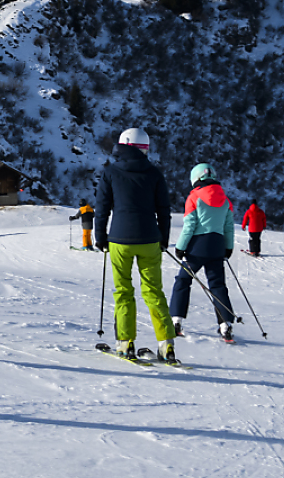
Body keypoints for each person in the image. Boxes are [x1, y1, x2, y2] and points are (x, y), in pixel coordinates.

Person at [95, 127, 174, 362]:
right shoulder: (155, 173)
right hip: (150, 238)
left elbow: (102, 209)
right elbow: (164, 210)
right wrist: (164, 239)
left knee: (123, 292)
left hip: (119, 240)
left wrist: (100, 238)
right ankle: (166, 345)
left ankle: (125, 343)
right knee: (154, 292)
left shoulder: (110, 173)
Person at [169, 163, 237, 341]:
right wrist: (228, 248)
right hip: (217, 246)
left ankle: (176, 319)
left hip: (196, 248)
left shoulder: (194, 197)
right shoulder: (226, 200)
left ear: (195, 178)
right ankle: (225, 324)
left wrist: (180, 247)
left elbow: (189, 226)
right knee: (217, 285)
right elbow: (229, 227)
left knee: (183, 281)